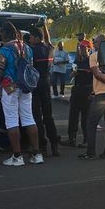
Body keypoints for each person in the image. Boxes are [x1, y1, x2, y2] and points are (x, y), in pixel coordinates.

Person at [0, 22, 43, 166]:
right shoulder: (27, 48)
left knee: (11, 121)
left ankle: (17, 156)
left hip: (10, 89)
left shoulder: (4, 51)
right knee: (29, 118)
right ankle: (37, 154)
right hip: (26, 87)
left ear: (4, 34)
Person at [79, 34, 105, 160]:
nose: (93, 44)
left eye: (95, 42)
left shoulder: (94, 56)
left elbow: (96, 74)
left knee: (91, 124)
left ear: (100, 43)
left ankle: (90, 152)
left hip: (101, 96)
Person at [29, 24, 59, 156]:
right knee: (48, 117)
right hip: (47, 84)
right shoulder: (50, 49)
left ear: (36, 38)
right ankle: (54, 145)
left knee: (37, 117)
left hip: (35, 85)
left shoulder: (31, 51)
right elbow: (48, 39)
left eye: (30, 37)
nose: (29, 40)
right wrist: (45, 26)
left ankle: (42, 146)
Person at [60, 42, 92, 148]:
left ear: (89, 49)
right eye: (80, 48)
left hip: (87, 89)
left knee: (85, 117)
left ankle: (87, 140)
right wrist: (74, 73)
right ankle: (71, 138)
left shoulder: (91, 61)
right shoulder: (77, 61)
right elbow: (72, 73)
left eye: (84, 48)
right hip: (77, 88)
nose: (81, 50)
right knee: (73, 115)